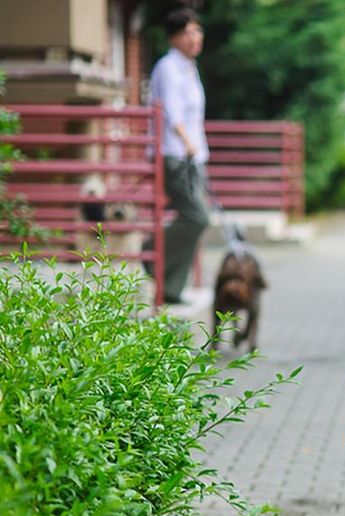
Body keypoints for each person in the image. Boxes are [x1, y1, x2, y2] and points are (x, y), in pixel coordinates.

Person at [149, 8, 210, 304]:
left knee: (198, 219)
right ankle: (152, 252)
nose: (194, 38)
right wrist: (187, 142)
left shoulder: (189, 66)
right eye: (187, 32)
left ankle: (172, 288)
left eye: (197, 31)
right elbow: (170, 110)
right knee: (197, 217)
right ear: (173, 37)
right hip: (175, 154)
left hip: (194, 156)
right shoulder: (168, 67)